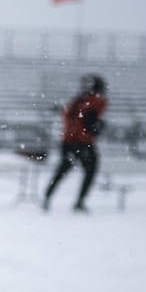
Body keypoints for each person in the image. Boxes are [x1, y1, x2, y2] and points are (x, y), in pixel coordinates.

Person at [43, 73, 109, 212]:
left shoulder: (78, 100)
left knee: (63, 170)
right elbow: (89, 120)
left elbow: (70, 116)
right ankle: (79, 201)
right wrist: (98, 125)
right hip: (83, 142)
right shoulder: (96, 101)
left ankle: (47, 196)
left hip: (68, 141)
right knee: (90, 171)